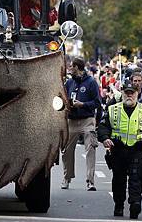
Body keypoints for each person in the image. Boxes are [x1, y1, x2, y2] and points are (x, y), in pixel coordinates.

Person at [98, 80, 142, 219]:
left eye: (132, 93)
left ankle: (135, 203)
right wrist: (105, 138)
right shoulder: (113, 109)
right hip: (118, 149)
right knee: (119, 179)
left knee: (136, 178)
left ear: (137, 94)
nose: (129, 96)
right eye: (127, 93)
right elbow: (103, 126)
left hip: (137, 149)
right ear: (122, 93)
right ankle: (119, 204)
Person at [61, 57, 101, 191]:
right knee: (66, 150)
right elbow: (63, 98)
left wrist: (82, 104)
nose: (69, 69)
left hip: (87, 120)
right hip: (71, 120)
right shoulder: (69, 83)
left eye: (71, 66)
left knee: (90, 148)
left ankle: (90, 181)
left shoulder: (91, 83)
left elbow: (97, 102)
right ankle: (67, 178)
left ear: (77, 67)